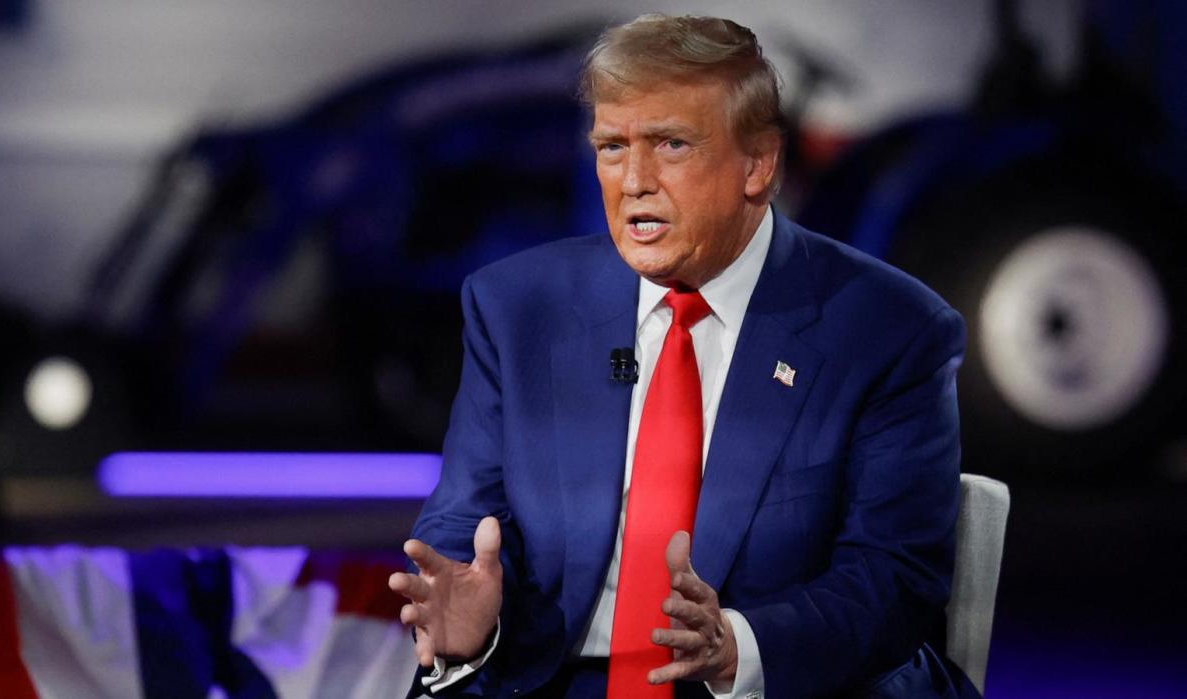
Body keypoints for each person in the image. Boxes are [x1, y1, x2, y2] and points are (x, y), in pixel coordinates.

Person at [389, 14, 980, 699]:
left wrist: (740, 648)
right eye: (612, 147)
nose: (634, 180)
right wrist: (470, 607)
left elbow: (893, 578)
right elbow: (465, 517)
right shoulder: (517, 308)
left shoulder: (889, 330)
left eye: (670, 144)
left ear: (757, 164)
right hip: (560, 676)